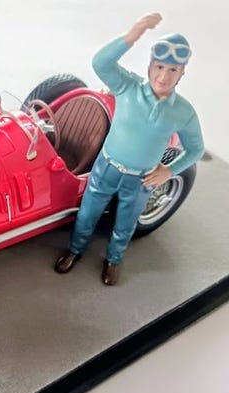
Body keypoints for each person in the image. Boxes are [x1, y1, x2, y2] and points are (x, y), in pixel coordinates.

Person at [54, 12, 204, 285]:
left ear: (182, 73)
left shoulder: (184, 112)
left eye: (173, 70)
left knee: (126, 223)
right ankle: (75, 249)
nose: (164, 76)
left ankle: (114, 259)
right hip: (107, 167)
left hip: (142, 178)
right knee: (87, 214)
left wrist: (170, 171)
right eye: (159, 66)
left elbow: (196, 149)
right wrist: (133, 35)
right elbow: (100, 63)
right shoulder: (127, 86)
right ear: (150, 66)